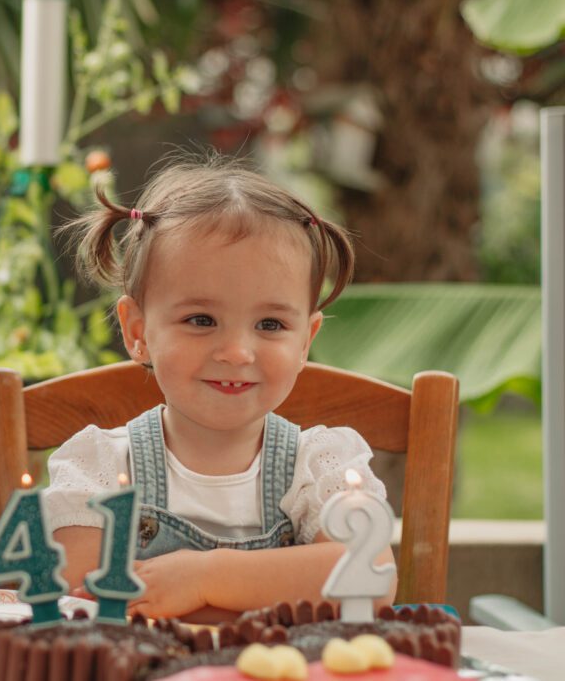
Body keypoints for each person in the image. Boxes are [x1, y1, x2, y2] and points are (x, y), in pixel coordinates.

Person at [46, 152, 395, 621]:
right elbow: (78, 596)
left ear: (305, 342)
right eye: (201, 319)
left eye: (270, 324)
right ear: (137, 332)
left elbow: (370, 576)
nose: (236, 352)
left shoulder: (318, 465)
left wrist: (205, 578)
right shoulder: (101, 467)